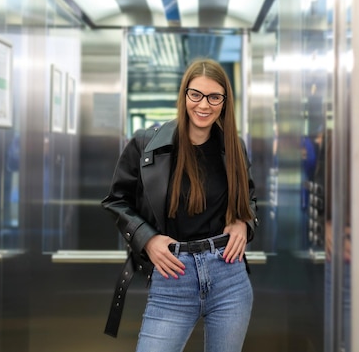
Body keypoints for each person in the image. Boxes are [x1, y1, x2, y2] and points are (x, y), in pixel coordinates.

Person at [102, 58, 259, 352]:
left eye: (215, 97)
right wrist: (147, 240)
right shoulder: (147, 144)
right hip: (173, 276)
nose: (204, 105)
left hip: (229, 277)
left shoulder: (233, 147)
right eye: (196, 94)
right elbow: (116, 201)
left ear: (225, 101)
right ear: (184, 94)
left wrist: (243, 223)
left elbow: (249, 198)